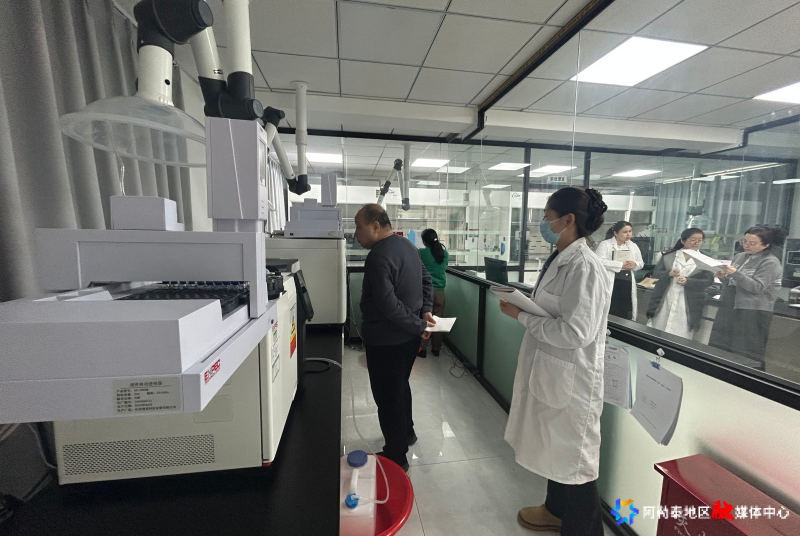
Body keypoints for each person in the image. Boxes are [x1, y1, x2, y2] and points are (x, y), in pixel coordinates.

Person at [499, 186, 611, 536]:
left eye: (547, 217)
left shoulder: (585, 267)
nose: (543, 224)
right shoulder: (560, 258)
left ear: (568, 219)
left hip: (573, 382)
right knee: (555, 452)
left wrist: (521, 315)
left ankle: (583, 530)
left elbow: (576, 333)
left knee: (575, 465)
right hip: (552, 372)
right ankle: (554, 511)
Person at [355, 204, 435, 471]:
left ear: (376, 226)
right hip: (409, 340)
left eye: (359, 227)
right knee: (400, 386)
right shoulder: (407, 246)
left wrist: (418, 323)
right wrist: (425, 312)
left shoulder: (378, 256)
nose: (356, 234)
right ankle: (407, 432)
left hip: (386, 341)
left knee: (388, 397)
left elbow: (388, 304)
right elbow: (427, 280)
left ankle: (396, 455)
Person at [708, 226, 787, 370]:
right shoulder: (740, 257)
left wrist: (735, 273)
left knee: (746, 351)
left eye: (752, 243)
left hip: (753, 311)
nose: (746, 245)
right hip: (731, 306)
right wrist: (723, 277)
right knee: (722, 345)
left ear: (766, 245)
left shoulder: (770, 262)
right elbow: (734, 282)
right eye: (744, 241)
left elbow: (756, 287)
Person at [646, 228, 713, 339]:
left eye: (700, 240)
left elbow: (708, 281)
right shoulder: (669, 256)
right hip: (665, 299)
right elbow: (656, 273)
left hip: (689, 303)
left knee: (681, 335)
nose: (696, 243)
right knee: (659, 330)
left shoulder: (705, 259)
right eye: (693, 239)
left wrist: (688, 281)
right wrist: (669, 274)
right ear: (683, 240)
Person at [595, 221, 645, 320]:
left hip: (627, 281)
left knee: (626, 309)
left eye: (630, 231)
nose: (628, 234)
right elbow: (599, 261)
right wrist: (620, 265)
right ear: (615, 233)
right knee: (610, 309)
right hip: (611, 281)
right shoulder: (605, 244)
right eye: (625, 232)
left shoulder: (633, 246)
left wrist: (634, 264)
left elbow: (641, 263)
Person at [417, 229, 449, 358]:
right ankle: (436, 348)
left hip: (425, 292)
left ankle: (422, 349)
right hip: (440, 292)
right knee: (438, 321)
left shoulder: (421, 253)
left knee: (425, 319)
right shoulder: (444, 253)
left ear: (424, 242)